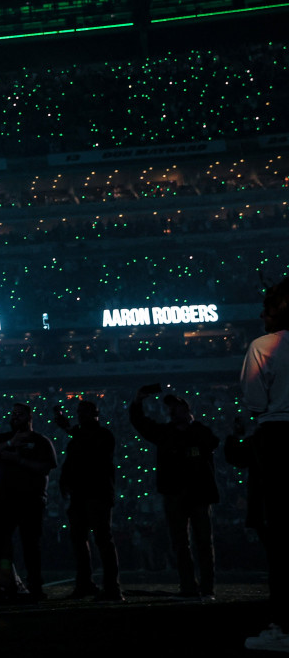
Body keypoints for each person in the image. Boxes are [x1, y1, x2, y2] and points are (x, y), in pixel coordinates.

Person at [129, 385, 219, 599]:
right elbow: (141, 423)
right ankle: (189, 586)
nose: (172, 410)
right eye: (171, 407)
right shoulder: (165, 433)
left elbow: (213, 442)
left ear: (186, 410)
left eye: (176, 407)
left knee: (202, 542)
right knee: (182, 543)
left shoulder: (198, 432)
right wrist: (137, 402)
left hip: (196, 494)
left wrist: (192, 424)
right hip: (176, 494)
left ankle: (206, 587)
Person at [239, 275, 289, 651]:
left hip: (277, 437)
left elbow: (255, 402)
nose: (262, 315)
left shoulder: (264, 346)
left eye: (267, 308)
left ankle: (282, 625)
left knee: (279, 534)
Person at [0, 403, 57, 601]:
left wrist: (18, 460)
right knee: (0, 544)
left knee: (31, 545)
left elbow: (46, 467)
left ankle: (35, 586)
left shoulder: (41, 441)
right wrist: (8, 444)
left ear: (29, 417)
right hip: (4, 501)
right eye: (13, 414)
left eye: (19, 414)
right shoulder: (5, 438)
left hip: (31, 501)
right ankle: (1, 584)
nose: (15, 417)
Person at [55, 399, 123, 602]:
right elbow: (71, 461)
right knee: (81, 540)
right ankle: (87, 584)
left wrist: (69, 428)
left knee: (101, 539)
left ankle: (111, 587)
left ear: (95, 414)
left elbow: (91, 453)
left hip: (97, 494)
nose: (80, 416)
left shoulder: (103, 435)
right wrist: (64, 482)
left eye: (84, 412)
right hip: (81, 494)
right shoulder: (78, 437)